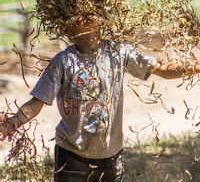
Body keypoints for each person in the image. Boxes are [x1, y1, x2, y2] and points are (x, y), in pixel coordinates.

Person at [0, 14, 200, 182]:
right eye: (76, 13)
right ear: (66, 27)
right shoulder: (63, 62)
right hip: (71, 156)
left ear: (102, 20)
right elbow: (37, 101)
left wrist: (193, 67)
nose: (84, 16)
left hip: (111, 156)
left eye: (89, 11)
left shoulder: (119, 52)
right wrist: (13, 122)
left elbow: (161, 69)